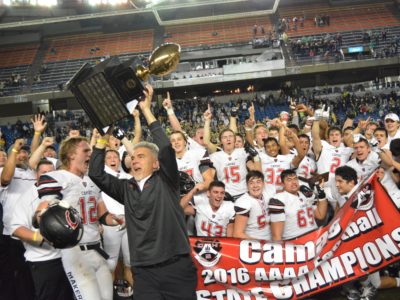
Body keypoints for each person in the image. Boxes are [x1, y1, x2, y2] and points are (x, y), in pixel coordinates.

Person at [89, 84, 198, 300]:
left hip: (175, 267)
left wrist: (147, 110)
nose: (134, 159)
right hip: (143, 272)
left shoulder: (167, 181)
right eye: (133, 156)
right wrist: (103, 138)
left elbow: (166, 149)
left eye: (141, 156)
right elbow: (96, 173)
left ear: (157, 164)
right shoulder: (126, 188)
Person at [36, 136, 120, 300]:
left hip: (97, 248)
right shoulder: (55, 178)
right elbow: (42, 214)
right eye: (86, 150)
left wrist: (116, 219)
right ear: (71, 154)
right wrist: (41, 219)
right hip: (75, 252)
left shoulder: (93, 179)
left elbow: (102, 215)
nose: (90, 154)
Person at [11, 159, 73, 300]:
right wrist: (41, 238)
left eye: (51, 173)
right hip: (43, 261)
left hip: (68, 258)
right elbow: (15, 228)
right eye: (43, 173)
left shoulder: (63, 193)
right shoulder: (27, 197)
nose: (47, 176)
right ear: (36, 174)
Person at [269, 169, 327, 241]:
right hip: (296, 242)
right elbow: (276, 235)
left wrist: (321, 195)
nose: (293, 182)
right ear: (283, 184)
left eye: (295, 179)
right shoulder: (278, 199)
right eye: (289, 180)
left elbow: (320, 215)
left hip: (315, 237)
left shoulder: (305, 193)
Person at [233, 170, 274, 240]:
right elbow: (237, 234)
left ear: (263, 184)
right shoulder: (243, 202)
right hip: (253, 242)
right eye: (251, 183)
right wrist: (258, 244)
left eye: (258, 182)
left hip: (271, 239)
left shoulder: (269, 192)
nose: (255, 186)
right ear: (247, 185)